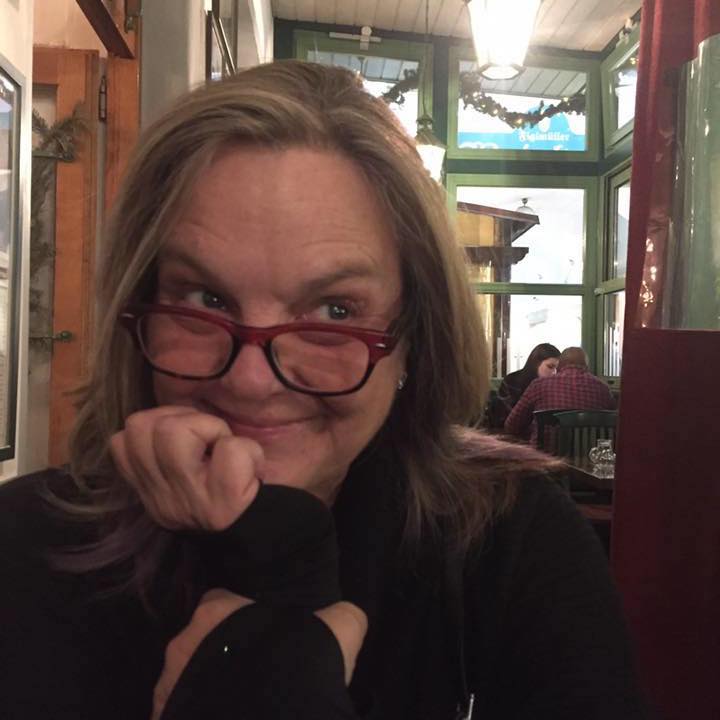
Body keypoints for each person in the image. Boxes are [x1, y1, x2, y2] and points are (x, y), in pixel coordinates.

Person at [0, 62, 646, 719]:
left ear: (413, 338)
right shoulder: (24, 548)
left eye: (335, 311)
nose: (251, 381)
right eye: (204, 298)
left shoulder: (514, 543)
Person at [504, 346, 616, 445]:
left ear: (559, 365)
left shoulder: (538, 385)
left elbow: (511, 426)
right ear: (586, 366)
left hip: (543, 457)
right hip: (587, 458)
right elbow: (614, 426)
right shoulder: (603, 389)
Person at [485, 343, 560, 429]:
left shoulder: (553, 385)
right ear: (536, 363)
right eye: (550, 367)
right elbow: (503, 417)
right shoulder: (512, 380)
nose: (554, 372)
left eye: (557, 369)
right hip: (509, 431)